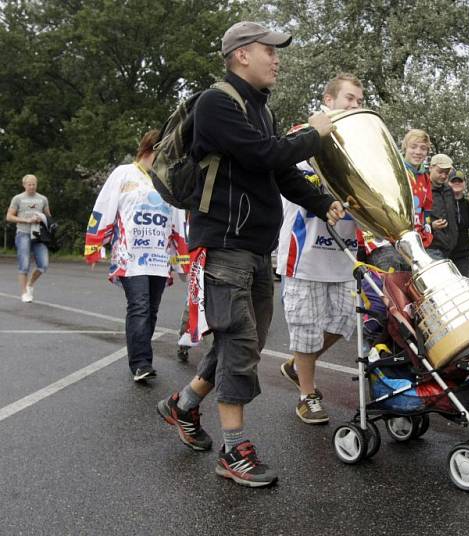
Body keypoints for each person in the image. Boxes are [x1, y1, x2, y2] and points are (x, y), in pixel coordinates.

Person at [156, 20, 344, 488]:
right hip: (224, 245)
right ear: (242, 54)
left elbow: (277, 171)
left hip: (256, 249)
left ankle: (181, 406)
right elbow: (264, 154)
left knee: (245, 344)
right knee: (240, 345)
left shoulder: (260, 110)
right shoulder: (216, 102)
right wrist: (314, 135)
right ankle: (234, 450)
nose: (277, 59)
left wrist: (324, 202)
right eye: (270, 51)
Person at [277, 73, 363, 425]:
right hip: (306, 254)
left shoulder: (359, 151)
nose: (355, 105)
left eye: (359, 100)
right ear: (328, 101)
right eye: (348, 99)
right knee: (307, 329)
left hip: (343, 256)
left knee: (344, 322)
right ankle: (307, 395)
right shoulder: (302, 137)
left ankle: (298, 363)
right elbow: (286, 179)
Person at [84, 130, 189, 381]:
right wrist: (95, 244)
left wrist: (182, 259)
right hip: (130, 256)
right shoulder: (123, 173)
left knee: (151, 310)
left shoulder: (168, 180)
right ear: (149, 149)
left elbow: (177, 221)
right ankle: (141, 363)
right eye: (164, 154)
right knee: (139, 307)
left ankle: (141, 356)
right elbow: (103, 207)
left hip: (158, 258)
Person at [358, 128, 433, 271]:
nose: (418, 152)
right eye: (413, 147)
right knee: (391, 276)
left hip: (411, 241)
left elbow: (426, 210)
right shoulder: (392, 169)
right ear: (405, 147)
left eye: (423, 148)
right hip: (384, 240)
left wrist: (426, 234)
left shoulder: (425, 178)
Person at [6, 174, 52, 303]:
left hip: (38, 235)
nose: (32, 186)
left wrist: (41, 219)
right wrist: (26, 220)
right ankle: (24, 293)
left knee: (43, 264)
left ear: (36, 185)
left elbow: (49, 217)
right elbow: (9, 217)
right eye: (29, 184)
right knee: (24, 264)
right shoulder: (18, 199)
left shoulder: (43, 199)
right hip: (23, 233)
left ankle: (30, 284)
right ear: (24, 185)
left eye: (34, 184)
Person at [447, 169, 469, 276]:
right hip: (445, 253)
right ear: (448, 183)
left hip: (463, 254)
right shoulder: (442, 201)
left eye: (460, 181)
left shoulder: (468, 204)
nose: (457, 183)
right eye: (453, 181)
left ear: (464, 183)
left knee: (461, 284)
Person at [426, 154, 458, 261]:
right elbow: (412, 219)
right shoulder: (422, 190)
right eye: (440, 172)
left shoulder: (449, 191)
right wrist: (431, 226)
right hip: (430, 248)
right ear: (431, 168)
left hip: (449, 249)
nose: (444, 176)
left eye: (446, 172)